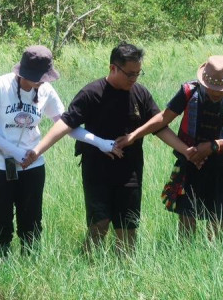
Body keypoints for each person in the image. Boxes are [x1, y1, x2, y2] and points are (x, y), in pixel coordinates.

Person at [0, 45, 119, 256]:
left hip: (33, 167)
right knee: (0, 222)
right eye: (36, 77)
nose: (40, 82)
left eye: (43, 77)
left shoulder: (46, 91)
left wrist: (99, 142)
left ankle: (29, 264)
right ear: (21, 71)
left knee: (31, 223)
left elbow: (66, 125)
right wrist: (15, 152)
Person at [22, 43, 162, 252]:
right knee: (100, 223)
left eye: (138, 74)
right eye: (129, 74)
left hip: (130, 171)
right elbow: (65, 123)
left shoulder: (140, 93)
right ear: (113, 68)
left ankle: (125, 271)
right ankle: (89, 264)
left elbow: (159, 123)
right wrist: (37, 151)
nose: (134, 79)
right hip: (97, 170)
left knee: (128, 226)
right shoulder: (91, 93)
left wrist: (186, 151)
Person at [117, 55, 223, 240]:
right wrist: (134, 135)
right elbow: (164, 117)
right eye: (211, 88)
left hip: (222, 165)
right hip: (189, 160)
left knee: (218, 214)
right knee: (187, 212)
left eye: (220, 90)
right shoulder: (189, 91)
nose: (215, 92)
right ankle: (186, 249)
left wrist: (214, 146)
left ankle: (214, 253)